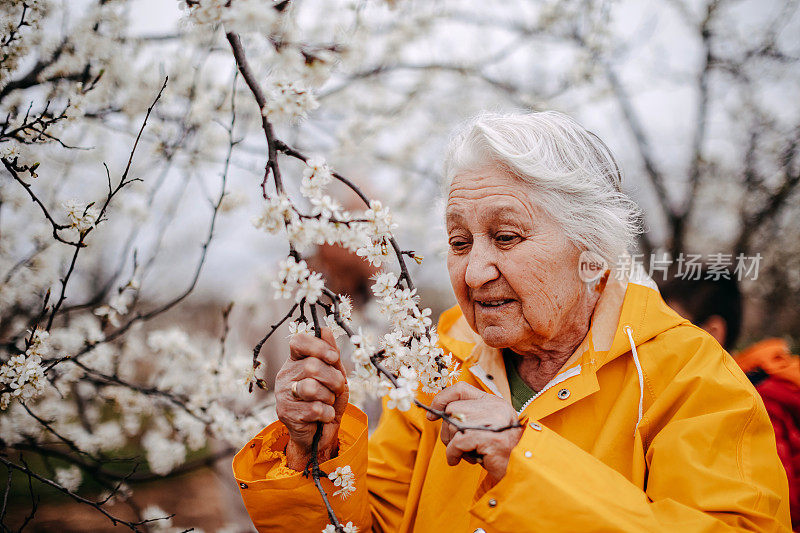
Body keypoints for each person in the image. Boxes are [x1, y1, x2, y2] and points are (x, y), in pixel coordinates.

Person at [233, 112, 791, 532]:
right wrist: (314, 459)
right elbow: (371, 524)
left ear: (590, 247)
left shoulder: (691, 377)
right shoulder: (442, 359)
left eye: (506, 237)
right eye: (458, 242)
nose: (475, 272)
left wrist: (525, 462)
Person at [662, 275, 800, 530]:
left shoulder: (746, 404)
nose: (656, 342)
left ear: (712, 333)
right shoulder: (753, 379)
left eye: (669, 328)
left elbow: (775, 506)